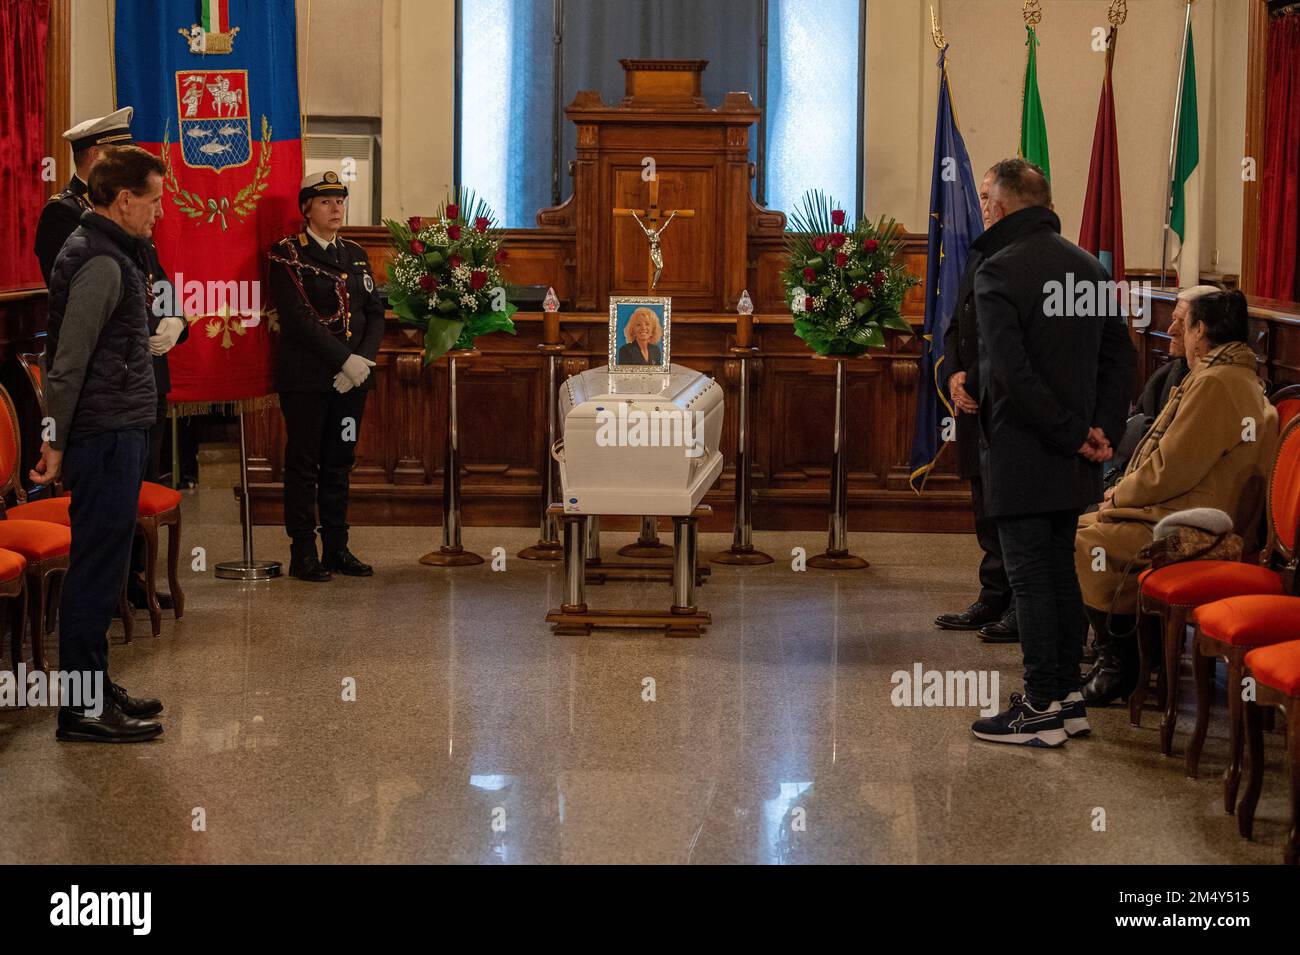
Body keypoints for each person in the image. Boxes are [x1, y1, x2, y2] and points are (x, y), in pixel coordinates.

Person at [967, 159, 1134, 748]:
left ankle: (1039, 704)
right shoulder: (1088, 267)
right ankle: (1066, 699)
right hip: (1078, 456)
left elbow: (1010, 375)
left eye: (987, 197)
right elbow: (1121, 359)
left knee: (1033, 577)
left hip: (1024, 449)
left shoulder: (1000, 271)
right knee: (1061, 573)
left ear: (1006, 204)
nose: (982, 206)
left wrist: (1068, 431)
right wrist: (1101, 430)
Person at [1076, 289, 1278, 705]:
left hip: (1196, 523)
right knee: (1082, 526)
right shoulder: (1233, 374)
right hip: (1199, 507)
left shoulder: (1217, 384)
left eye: (1183, 325)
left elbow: (1171, 466)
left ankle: (1122, 664)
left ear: (1200, 330)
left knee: (1084, 539)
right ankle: (1124, 654)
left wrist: (1120, 496)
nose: (1177, 333)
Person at [31, 145, 168, 743]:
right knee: (93, 571)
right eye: (154, 200)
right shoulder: (102, 262)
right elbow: (66, 363)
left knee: (105, 566)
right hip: (104, 434)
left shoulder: (112, 250)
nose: (159, 212)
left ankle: (95, 687)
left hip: (118, 426)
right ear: (124, 199)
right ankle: (82, 708)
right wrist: (54, 440)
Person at [33, 108, 188, 610]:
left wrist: (174, 319)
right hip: (106, 396)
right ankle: (91, 665)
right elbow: (84, 324)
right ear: (101, 159)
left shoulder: (128, 225)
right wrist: (54, 435)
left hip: (135, 382)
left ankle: (131, 581)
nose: (159, 211)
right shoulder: (69, 216)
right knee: (99, 545)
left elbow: (154, 276)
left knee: (136, 496)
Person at [268, 171, 385, 581]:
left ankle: (337, 547)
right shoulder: (287, 255)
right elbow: (298, 319)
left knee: (340, 462)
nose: (336, 208)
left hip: (351, 383)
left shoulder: (354, 253)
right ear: (306, 209)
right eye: (325, 201)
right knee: (304, 464)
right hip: (307, 380)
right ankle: (303, 551)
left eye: (340, 200)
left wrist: (361, 363)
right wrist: (342, 360)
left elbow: (374, 312)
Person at [934, 165, 1019, 644]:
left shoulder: (1021, 257)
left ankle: (1016, 606)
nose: (982, 204)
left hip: (1005, 403)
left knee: (1009, 505)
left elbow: (1009, 342)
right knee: (984, 504)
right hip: (973, 403)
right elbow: (957, 325)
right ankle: (992, 594)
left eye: (989, 196)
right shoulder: (980, 251)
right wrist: (955, 372)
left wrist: (979, 376)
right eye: (981, 195)